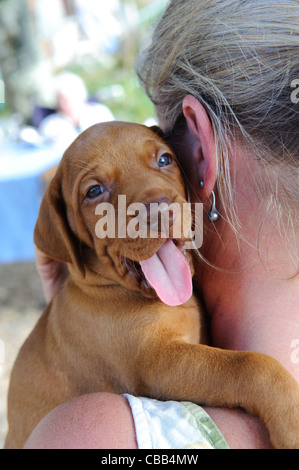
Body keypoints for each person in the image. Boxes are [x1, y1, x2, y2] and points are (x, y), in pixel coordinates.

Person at [25, 0, 298, 449]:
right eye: (96, 191)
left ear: (199, 154)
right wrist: (70, 320)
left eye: (164, 157)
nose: (148, 202)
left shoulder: (87, 436)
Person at [38, 72, 114, 147]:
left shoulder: (101, 113)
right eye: (63, 98)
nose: (68, 102)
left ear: (82, 94)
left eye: (72, 96)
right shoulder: (50, 125)